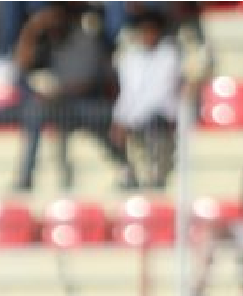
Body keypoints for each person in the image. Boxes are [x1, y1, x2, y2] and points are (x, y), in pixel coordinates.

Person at [13, 3, 138, 192]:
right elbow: (22, 66)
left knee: (99, 121)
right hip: (59, 106)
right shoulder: (46, 41)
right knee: (33, 112)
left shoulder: (86, 39)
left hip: (89, 104)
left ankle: (126, 169)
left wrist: (59, 91)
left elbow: (88, 80)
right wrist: (31, 29)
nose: (52, 22)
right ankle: (25, 177)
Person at [110, 10, 184, 190]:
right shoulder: (130, 59)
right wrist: (119, 120)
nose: (148, 35)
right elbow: (128, 94)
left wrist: (133, 119)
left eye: (152, 30)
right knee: (112, 129)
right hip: (136, 117)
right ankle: (128, 173)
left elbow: (161, 94)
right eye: (145, 31)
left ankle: (155, 175)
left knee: (153, 123)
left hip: (162, 114)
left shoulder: (170, 56)